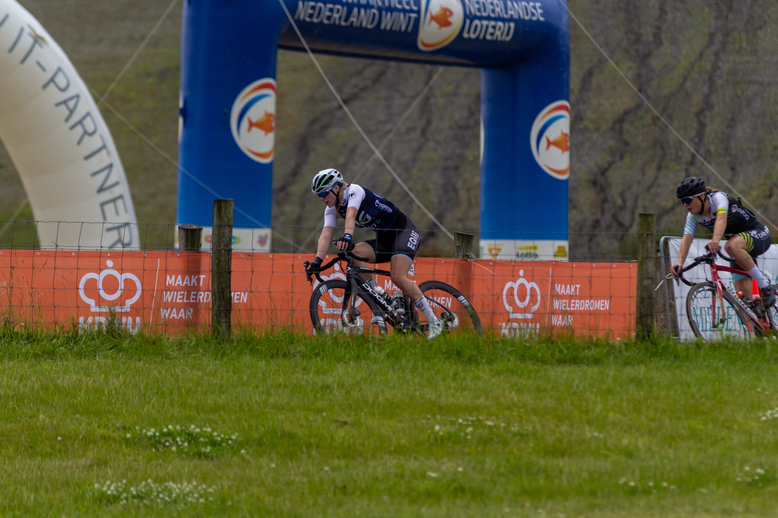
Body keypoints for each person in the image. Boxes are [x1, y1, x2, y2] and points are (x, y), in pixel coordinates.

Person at [304, 168, 443, 338]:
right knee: (353, 253)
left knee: (397, 277)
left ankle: (434, 321)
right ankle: (378, 292)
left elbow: (351, 215)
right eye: (317, 195)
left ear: (336, 187)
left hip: (404, 232)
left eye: (323, 192)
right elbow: (325, 234)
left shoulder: (354, 191)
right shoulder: (332, 209)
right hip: (384, 240)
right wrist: (317, 261)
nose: (321, 198)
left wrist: (348, 236)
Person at [671, 176, 775, 308]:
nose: (685, 205)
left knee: (730, 246)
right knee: (744, 300)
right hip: (738, 249)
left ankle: (766, 287)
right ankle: (761, 325)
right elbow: (687, 238)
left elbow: (721, 219)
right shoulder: (694, 216)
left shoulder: (718, 198)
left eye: (687, 200)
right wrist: (680, 263)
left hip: (759, 234)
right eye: (681, 201)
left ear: (702, 196)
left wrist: (715, 241)